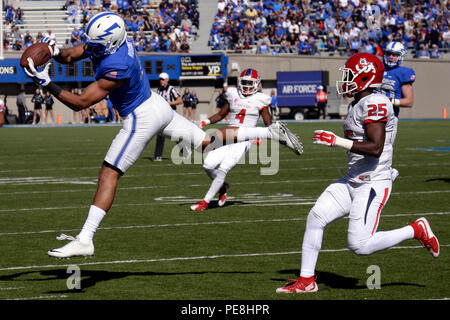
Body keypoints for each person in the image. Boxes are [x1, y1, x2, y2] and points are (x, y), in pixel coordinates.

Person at [23, 12, 302, 259]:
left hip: (141, 117)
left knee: (109, 173)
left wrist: (45, 82)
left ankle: (85, 239)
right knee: (206, 141)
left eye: (96, 42)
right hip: (156, 104)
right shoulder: (116, 41)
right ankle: (270, 131)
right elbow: (72, 54)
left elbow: (81, 102)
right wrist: (54, 49)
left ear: (110, 41)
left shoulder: (116, 64)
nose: (91, 46)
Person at [276, 53, 439, 294]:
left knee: (360, 245)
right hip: (353, 178)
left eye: (350, 75)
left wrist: (337, 142)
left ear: (365, 77)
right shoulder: (357, 103)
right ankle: (307, 280)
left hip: (373, 182)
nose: (346, 80)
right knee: (316, 217)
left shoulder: (376, 102)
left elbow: (375, 148)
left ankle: (415, 230)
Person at [191, 69, 273, 211]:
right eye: (245, 82)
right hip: (228, 135)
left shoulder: (261, 99)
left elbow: (268, 125)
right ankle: (222, 186)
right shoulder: (234, 94)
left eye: (250, 83)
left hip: (244, 139)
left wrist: (259, 137)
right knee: (208, 165)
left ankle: (205, 202)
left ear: (257, 83)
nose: (247, 86)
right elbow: (221, 114)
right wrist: (204, 122)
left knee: (223, 169)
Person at [152, 72, 183, 161]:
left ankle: (184, 151)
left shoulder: (172, 89)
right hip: (162, 116)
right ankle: (158, 156)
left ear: (167, 80)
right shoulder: (159, 90)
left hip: (172, 116)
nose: (161, 81)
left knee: (175, 135)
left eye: (163, 79)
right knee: (160, 135)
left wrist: (168, 103)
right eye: (160, 79)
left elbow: (180, 100)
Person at [380, 42, 415, 118]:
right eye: (389, 54)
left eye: (394, 55)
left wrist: (389, 101)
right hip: (368, 113)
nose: (391, 57)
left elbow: (409, 101)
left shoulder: (404, 72)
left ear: (401, 56)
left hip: (388, 117)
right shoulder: (377, 69)